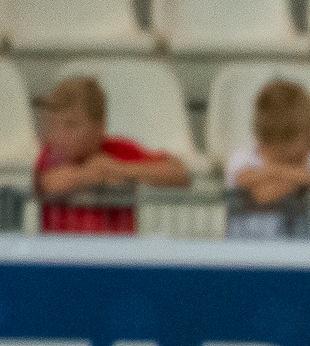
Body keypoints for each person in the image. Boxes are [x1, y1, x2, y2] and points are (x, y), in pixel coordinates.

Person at [33, 77, 191, 234]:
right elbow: (47, 184)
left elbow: (179, 174)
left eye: (71, 125)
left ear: (99, 127)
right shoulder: (51, 155)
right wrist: (87, 175)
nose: (58, 135)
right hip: (62, 254)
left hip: (117, 254)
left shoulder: (117, 151)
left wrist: (120, 169)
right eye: (53, 124)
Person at [225, 80, 310, 239]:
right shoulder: (243, 158)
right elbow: (262, 195)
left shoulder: (304, 160)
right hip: (247, 258)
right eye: (308, 139)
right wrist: (304, 178)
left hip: (295, 257)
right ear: (282, 139)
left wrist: (276, 172)